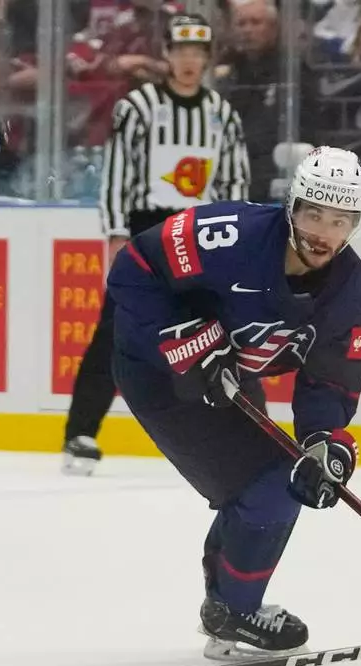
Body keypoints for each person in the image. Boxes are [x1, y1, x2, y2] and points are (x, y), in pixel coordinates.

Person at [106, 146, 361, 659]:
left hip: (229, 372)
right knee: (269, 482)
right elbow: (134, 267)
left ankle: (229, 607)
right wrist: (186, 340)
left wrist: (325, 445)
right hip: (156, 372)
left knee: (287, 476)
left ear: (357, 224)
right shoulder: (229, 235)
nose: (324, 231)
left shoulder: (355, 298)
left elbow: (330, 386)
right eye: (314, 213)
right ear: (292, 206)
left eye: (340, 220)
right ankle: (234, 610)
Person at [62, 12, 252, 476]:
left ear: (208, 59)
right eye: (181, 50)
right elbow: (117, 175)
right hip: (149, 231)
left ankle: (229, 436)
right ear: (166, 55)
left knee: (216, 333)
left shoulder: (222, 115)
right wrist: (115, 234)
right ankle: (80, 432)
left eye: (198, 52)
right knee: (116, 329)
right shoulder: (139, 107)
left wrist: (238, 243)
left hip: (202, 233)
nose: (189, 60)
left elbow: (235, 182)